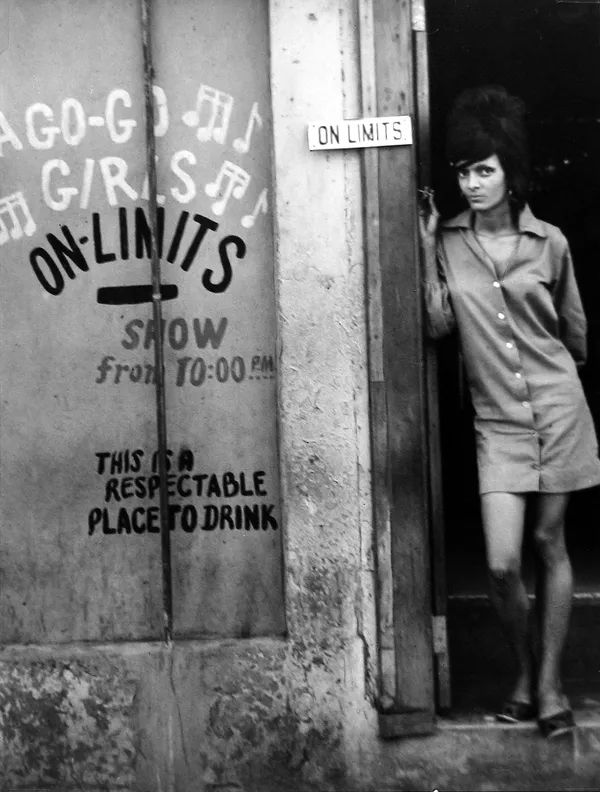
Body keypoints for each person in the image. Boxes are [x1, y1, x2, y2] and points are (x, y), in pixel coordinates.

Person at [419, 85, 600, 739]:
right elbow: (438, 325)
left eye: (484, 169)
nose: (472, 183)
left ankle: (545, 688)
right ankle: (525, 670)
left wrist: (552, 388)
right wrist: (423, 251)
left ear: (509, 172)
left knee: (549, 543)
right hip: (497, 422)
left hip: (558, 410)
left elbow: (574, 337)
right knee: (500, 563)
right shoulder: (448, 244)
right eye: (464, 171)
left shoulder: (550, 243)